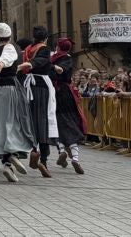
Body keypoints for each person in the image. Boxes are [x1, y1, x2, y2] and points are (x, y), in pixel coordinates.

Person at [0, 22, 34, 182]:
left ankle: (7, 164)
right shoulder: (10, 48)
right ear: (10, 36)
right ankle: (12, 154)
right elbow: (6, 60)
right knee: (13, 121)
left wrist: (16, 67)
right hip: (8, 88)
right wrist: (1, 64)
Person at [18, 26, 57, 178]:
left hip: (28, 85)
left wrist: (54, 66)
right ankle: (43, 158)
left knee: (31, 118)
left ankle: (33, 149)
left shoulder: (28, 48)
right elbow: (41, 62)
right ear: (46, 37)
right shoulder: (44, 49)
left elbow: (40, 62)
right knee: (44, 119)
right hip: (41, 87)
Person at [50, 37, 87, 174]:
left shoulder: (54, 59)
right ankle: (75, 158)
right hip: (66, 93)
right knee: (71, 122)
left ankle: (61, 151)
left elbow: (57, 72)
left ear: (59, 47)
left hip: (54, 93)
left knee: (57, 123)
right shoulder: (67, 58)